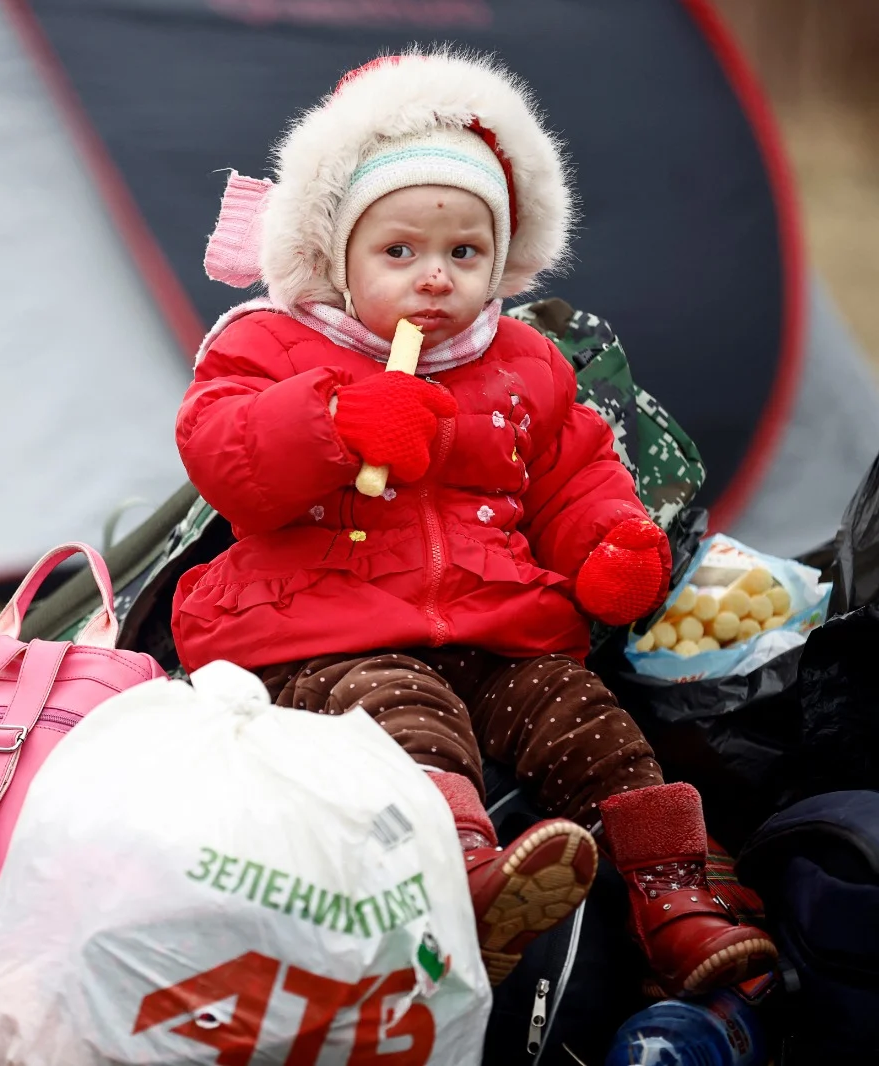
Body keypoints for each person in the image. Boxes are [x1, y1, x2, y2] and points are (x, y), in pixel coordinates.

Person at [171, 50, 777, 994]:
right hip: (328, 629)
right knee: (401, 724)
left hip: (495, 627)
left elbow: (574, 475)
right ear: (337, 254)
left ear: (501, 258)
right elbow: (223, 451)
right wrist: (335, 422)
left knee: (588, 723)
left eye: (463, 253)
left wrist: (607, 540)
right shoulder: (274, 343)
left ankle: (676, 895)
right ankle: (459, 878)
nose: (434, 278)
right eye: (399, 251)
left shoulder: (524, 361)